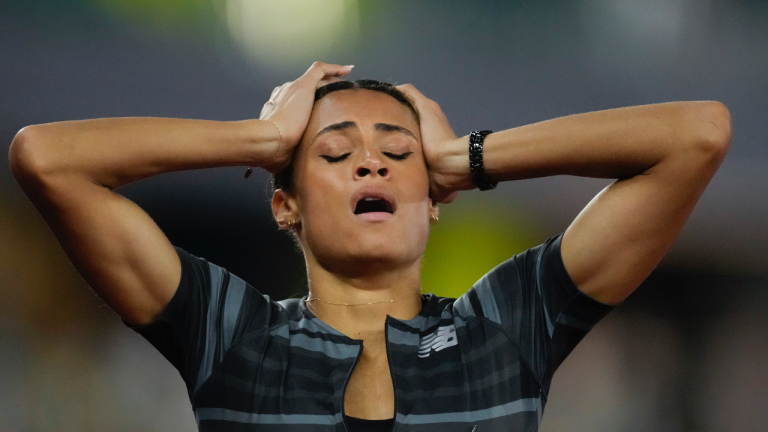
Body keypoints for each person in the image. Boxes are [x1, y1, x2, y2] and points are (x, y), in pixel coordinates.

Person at [8, 61, 731, 431]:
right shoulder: (234, 334)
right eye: (333, 153)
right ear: (284, 205)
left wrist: (469, 158)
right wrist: (259, 139)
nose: (372, 163)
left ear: (434, 202)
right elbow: (46, 159)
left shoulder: (504, 330)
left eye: (398, 151)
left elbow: (695, 135)